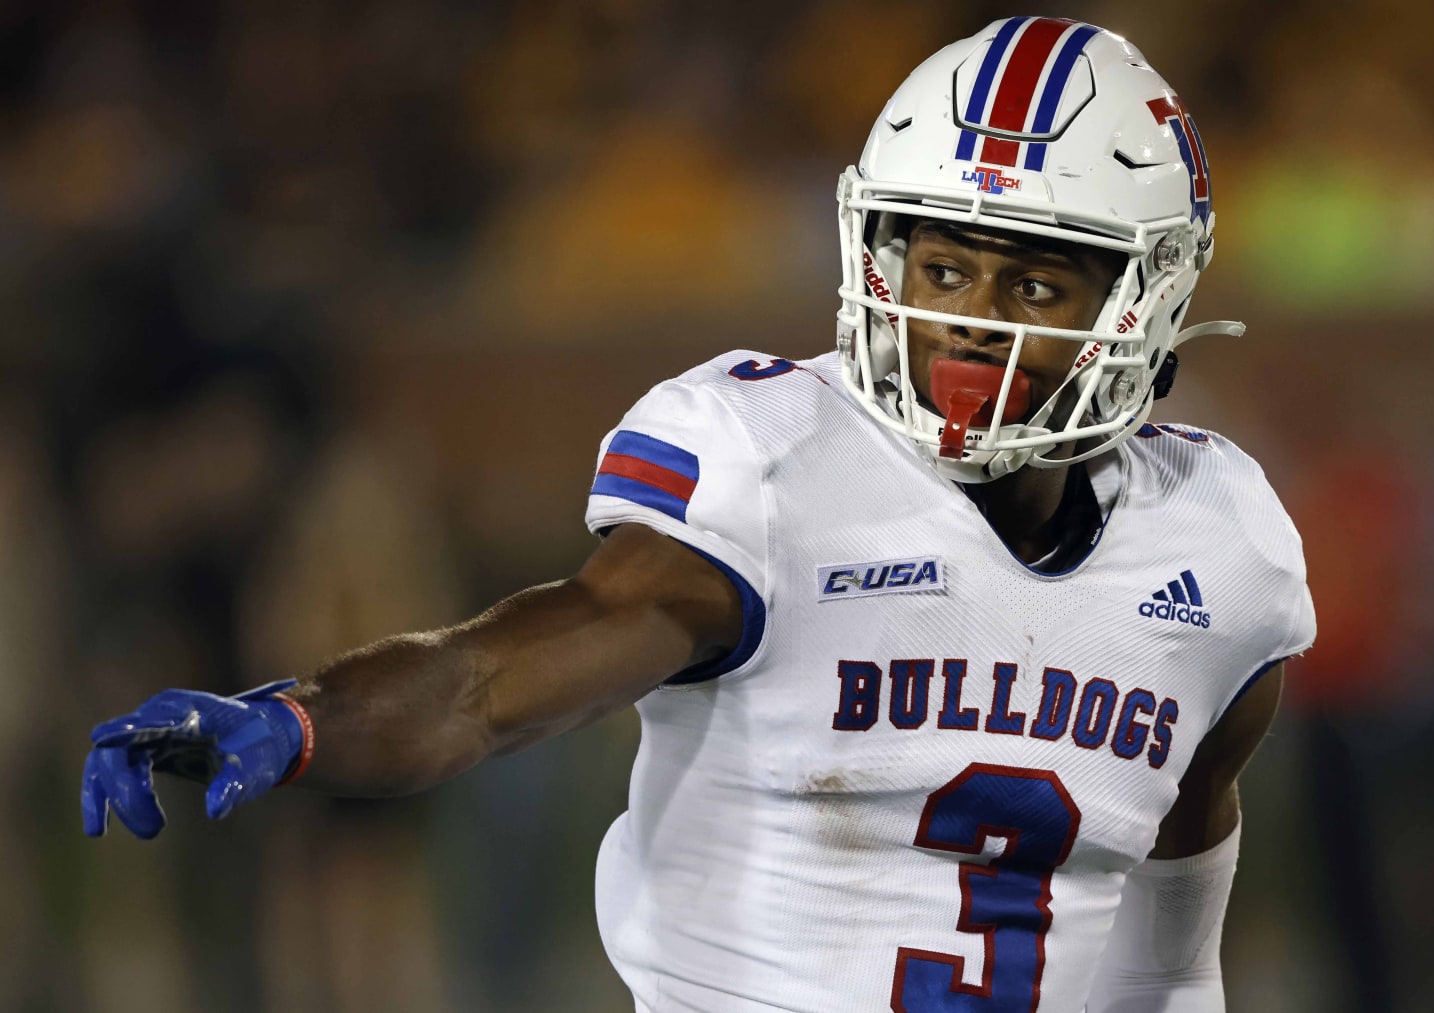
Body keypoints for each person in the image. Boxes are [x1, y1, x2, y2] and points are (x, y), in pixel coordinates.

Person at [81, 17, 1315, 1012]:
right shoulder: (773, 466)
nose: (968, 322)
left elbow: (1169, 965)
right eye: (942, 268)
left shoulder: (1217, 547)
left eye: (1034, 284)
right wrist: (302, 718)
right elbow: (484, 683)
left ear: (1147, 299)